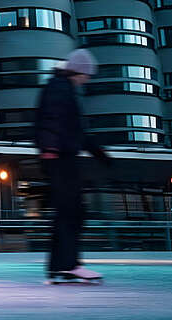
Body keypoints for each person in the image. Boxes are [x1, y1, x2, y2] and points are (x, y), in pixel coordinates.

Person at [35, 49, 112, 283]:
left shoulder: (64, 88)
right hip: (59, 159)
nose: (87, 79)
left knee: (68, 213)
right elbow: (49, 120)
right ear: (78, 71)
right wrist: (49, 150)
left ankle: (60, 266)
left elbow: (77, 132)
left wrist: (99, 153)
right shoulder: (59, 88)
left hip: (62, 157)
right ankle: (68, 264)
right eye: (87, 74)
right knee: (72, 212)